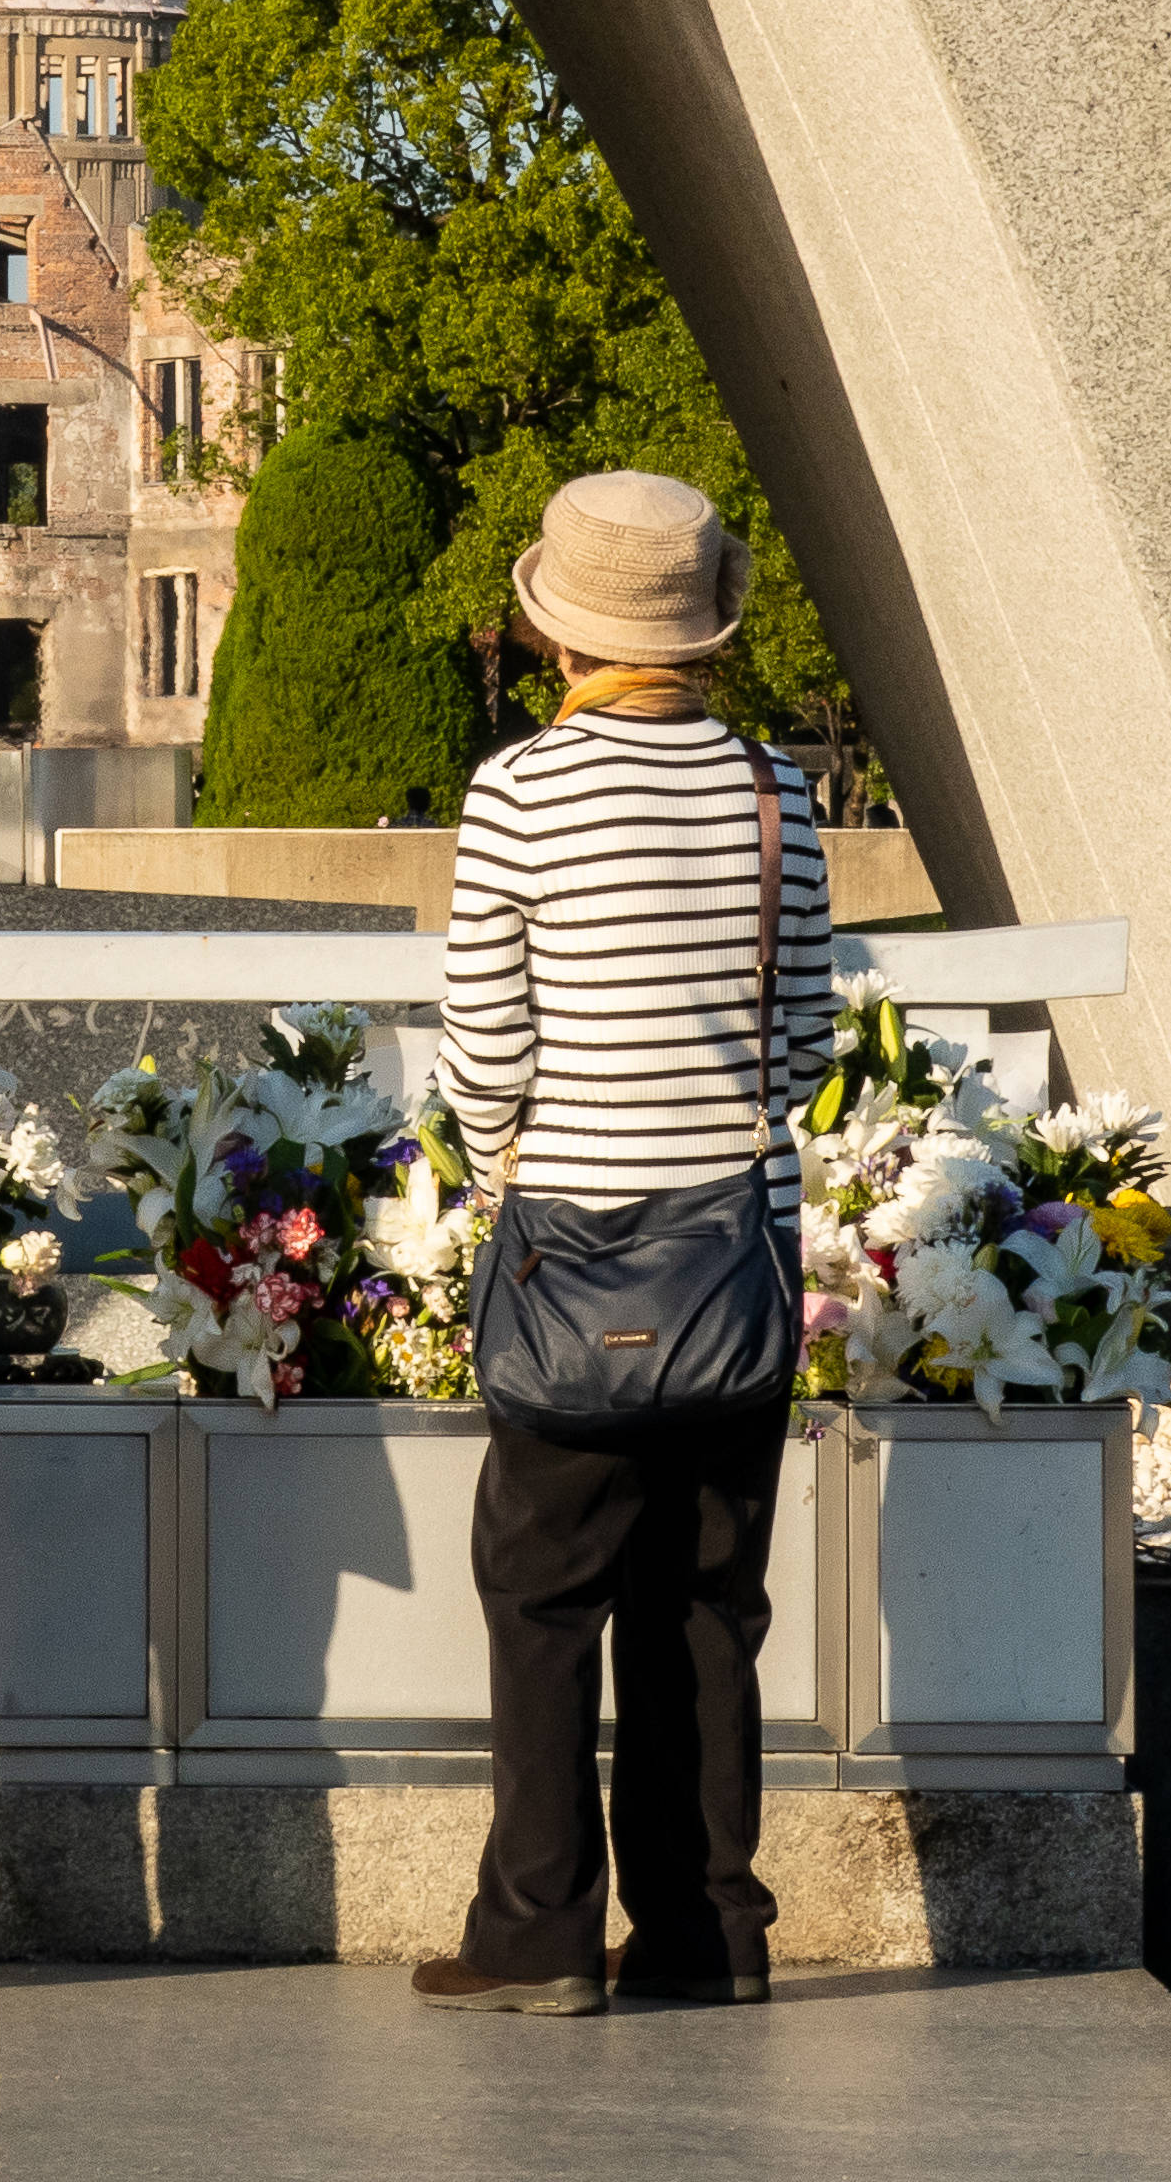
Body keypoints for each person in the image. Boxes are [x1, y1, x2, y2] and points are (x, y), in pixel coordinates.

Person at [419, 470, 836, 2018]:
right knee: (708, 1606)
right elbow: (801, 1044)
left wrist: (495, 1161)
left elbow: (484, 1041)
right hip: (736, 1258)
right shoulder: (775, 793)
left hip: (568, 1251)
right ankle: (706, 1931)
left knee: (541, 1601)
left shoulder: (520, 794)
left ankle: (536, 1934)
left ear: (559, 631)